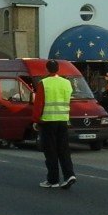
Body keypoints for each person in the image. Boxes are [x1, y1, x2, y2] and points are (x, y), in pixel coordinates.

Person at [33, 59, 76, 190]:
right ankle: (69, 175)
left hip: (48, 121)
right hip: (63, 120)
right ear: (58, 69)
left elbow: (39, 103)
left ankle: (53, 180)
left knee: (50, 151)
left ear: (47, 69)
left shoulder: (44, 83)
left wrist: (36, 120)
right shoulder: (67, 83)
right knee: (64, 149)